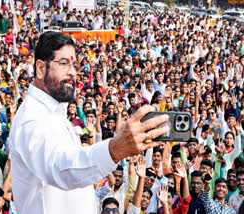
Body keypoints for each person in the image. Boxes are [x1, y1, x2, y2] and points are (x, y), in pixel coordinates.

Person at [9, 31, 170, 213]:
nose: (72, 72)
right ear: (40, 68)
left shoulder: (54, 111)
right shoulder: (31, 118)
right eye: (63, 64)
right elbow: (60, 168)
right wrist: (114, 149)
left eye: (74, 65)